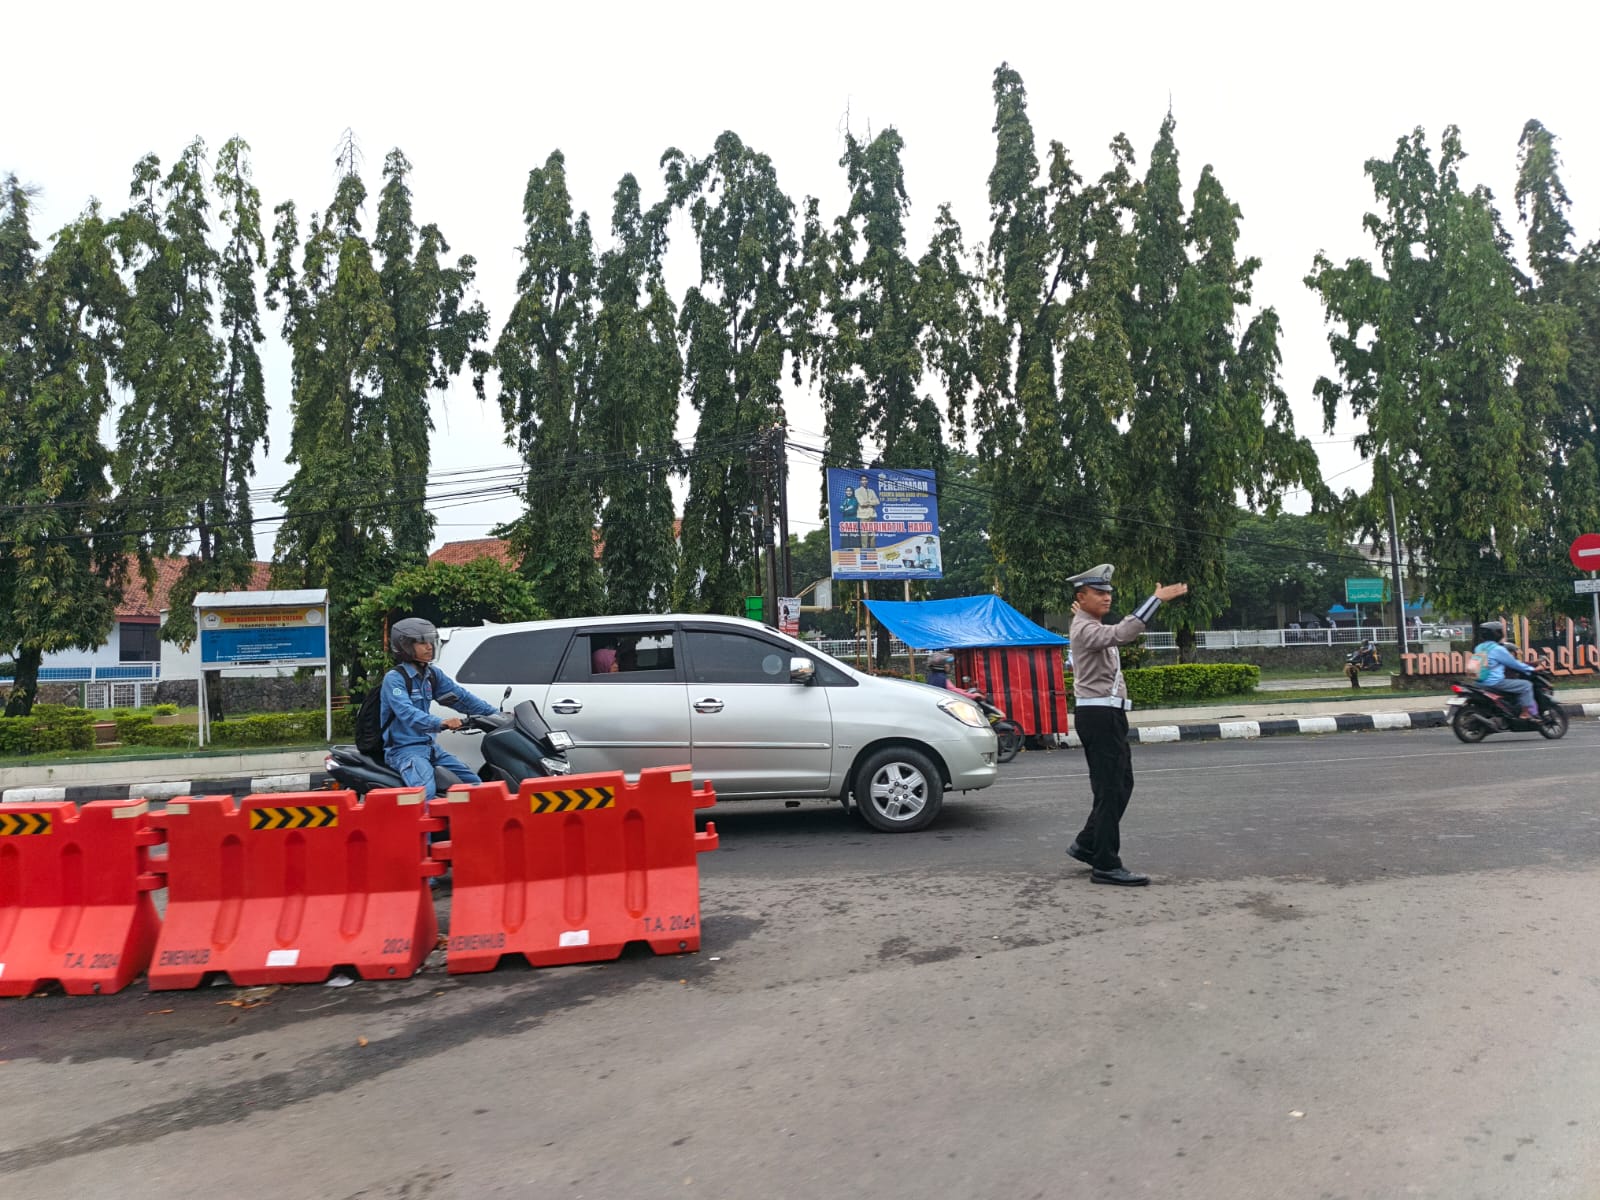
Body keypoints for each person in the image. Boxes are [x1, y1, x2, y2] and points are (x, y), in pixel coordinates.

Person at [1065, 564, 1188, 887]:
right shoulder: (1085, 628)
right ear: (1081, 597)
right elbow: (1122, 633)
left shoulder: (1088, 624)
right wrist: (1156, 600)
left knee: (1121, 784)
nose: (1107, 597)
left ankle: (1087, 844)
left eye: (1108, 592)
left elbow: (1110, 632)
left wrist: (1087, 614)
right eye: (1098, 593)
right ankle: (1105, 864)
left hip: (1109, 715)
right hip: (1099, 716)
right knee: (1109, 790)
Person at [381, 617, 498, 800]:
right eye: (422, 643)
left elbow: (462, 698)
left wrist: (497, 715)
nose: (429, 647)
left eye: (430, 641)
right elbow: (407, 713)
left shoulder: (432, 675)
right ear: (405, 646)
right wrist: (441, 722)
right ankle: (424, 820)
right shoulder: (394, 679)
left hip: (430, 748)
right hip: (405, 751)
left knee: (474, 785)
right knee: (425, 794)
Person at [1472, 620, 1538, 719]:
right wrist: (1530, 669)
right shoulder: (1498, 649)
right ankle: (1525, 713)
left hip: (1479, 682)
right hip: (1495, 682)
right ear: (1497, 634)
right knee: (1526, 685)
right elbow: (1514, 664)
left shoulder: (1479, 647)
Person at [853, 474, 881, 549]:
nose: (864, 481)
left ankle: (872, 551)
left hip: (872, 515)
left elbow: (877, 502)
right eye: (863, 480)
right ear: (860, 481)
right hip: (863, 516)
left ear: (867, 481)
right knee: (864, 535)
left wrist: (868, 502)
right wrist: (871, 502)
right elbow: (862, 503)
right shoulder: (857, 491)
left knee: (873, 535)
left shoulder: (871, 491)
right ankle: (864, 551)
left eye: (866, 480)